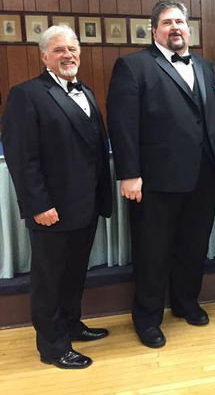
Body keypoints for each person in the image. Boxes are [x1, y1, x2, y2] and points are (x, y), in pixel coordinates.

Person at [107, 0, 215, 347]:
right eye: (167, 22)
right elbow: (122, 124)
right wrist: (129, 174)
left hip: (204, 176)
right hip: (156, 180)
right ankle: (146, 319)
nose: (175, 27)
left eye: (180, 21)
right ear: (154, 30)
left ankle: (186, 302)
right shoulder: (133, 66)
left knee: (193, 247)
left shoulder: (205, 66)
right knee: (153, 251)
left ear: (188, 29)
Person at [2, 25, 113, 369]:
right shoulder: (27, 94)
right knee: (49, 279)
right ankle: (52, 347)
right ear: (44, 56)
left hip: (86, 206)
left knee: (74, 273)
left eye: (73, 49)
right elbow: (23, 158)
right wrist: (38, 205)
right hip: (52, 208)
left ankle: (70, 325)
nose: (68, 55)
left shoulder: (88, 92)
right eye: (60, 50)